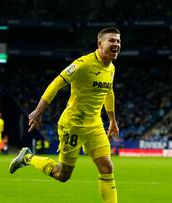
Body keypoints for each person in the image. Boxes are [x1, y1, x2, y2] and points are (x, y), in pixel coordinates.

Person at [9, 27, 121, 203]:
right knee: (62, 175)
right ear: (100, 44)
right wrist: (38, 112)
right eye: (112, 40)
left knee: (107, 167)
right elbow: (57, 82)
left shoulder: (111, 68)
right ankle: (28, 157)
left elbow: (108, 92)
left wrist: (113, 120)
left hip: (95, 126)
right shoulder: (83, 64)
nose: (116, 44)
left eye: (118, 41)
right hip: (73, 125)